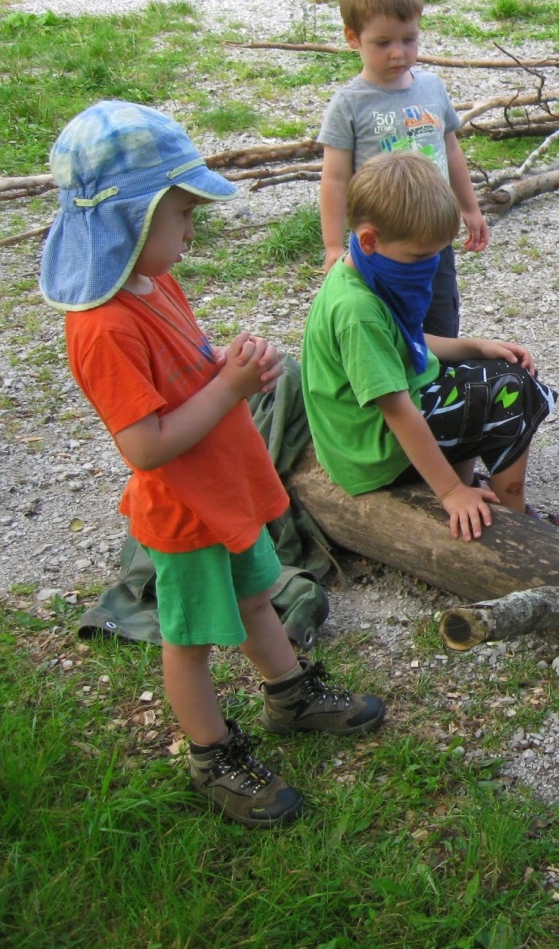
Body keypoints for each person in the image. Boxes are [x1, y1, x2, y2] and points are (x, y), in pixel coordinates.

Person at [41, 101, 385, 827]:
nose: (191, 230)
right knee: (189, 640)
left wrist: (228, 366)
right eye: (181, 216)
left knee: (259, 596)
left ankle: (290, 695)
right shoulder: (100, 327)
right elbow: (145, 443)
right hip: (184, 511)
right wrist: (226, 388)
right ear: (129, 221)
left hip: (224, 489)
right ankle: (211, 752)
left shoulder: (154, 280)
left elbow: (187, 370)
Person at [302, 152, 557, 540]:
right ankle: (512, 517)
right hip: (372, 452)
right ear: (370, 239)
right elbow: (396, 409)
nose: (430, 266)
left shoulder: (364, 269)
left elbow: (405, 342)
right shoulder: (357, 311)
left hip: (373, 430)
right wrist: (450, 493)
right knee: (510, 392)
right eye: (421, 256)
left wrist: (475, 346)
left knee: (496, 374)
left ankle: (471, 481)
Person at [318, 0, 488, 338]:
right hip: (383, 244)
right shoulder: (350, 104)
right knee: (385, 326)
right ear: (352, 38)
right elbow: (334, 179)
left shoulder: (431, 88)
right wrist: (332, 247)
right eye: (383, 42)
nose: (398, 53)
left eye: (408, 39)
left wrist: (469, 207)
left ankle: (442, 388)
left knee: (441, 318)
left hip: (432, 235)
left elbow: (451, 152)